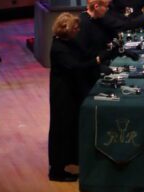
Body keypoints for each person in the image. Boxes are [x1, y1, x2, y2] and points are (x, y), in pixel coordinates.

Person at [48, 12, 116, 182]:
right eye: (75, 28)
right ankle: (56, 171)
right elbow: (76, 67)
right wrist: (98, 60)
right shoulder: (59, 49)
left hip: (72, 90)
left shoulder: (69, 42)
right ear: (67, 30)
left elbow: (84, 55)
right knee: (62, 129)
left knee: (71, 127)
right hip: (62, 94)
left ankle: (72, 159)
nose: (78, 30)